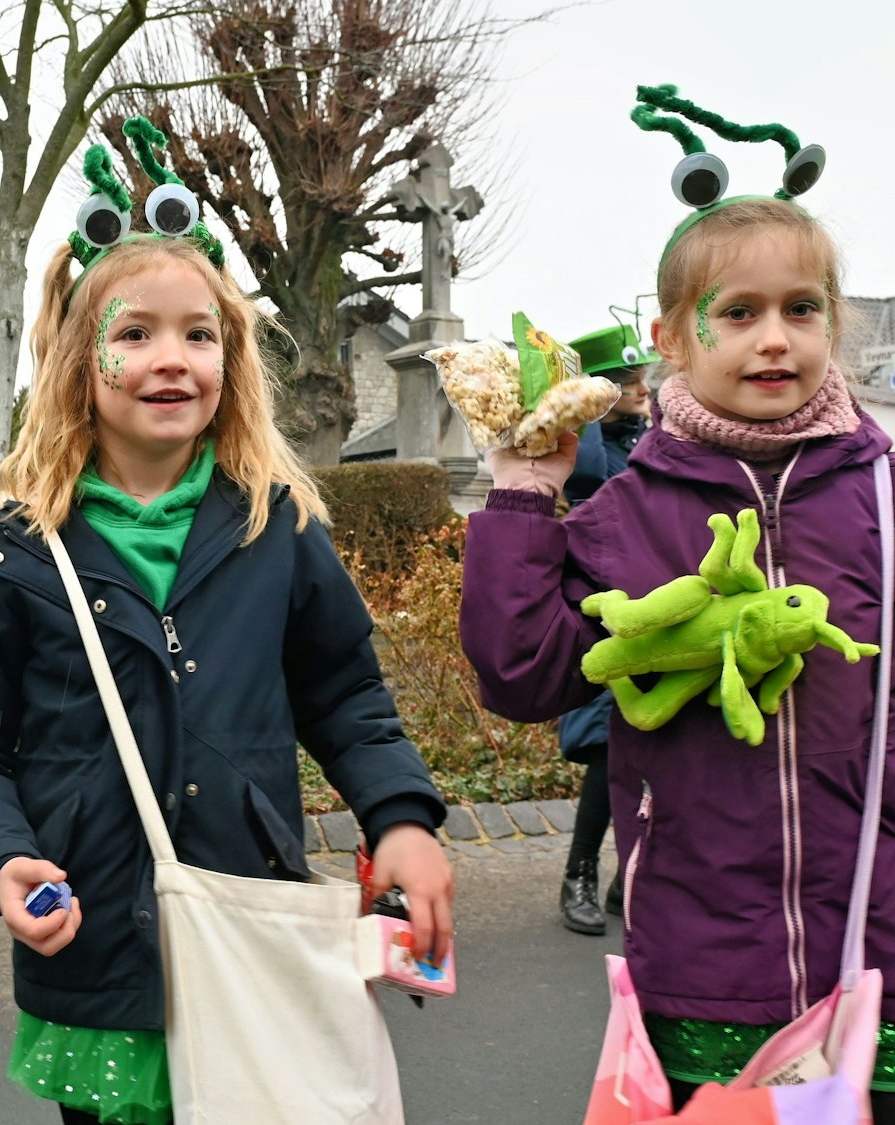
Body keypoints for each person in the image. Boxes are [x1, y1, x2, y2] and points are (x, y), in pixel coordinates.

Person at [0, 119, 452, 1125]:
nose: (171, 358)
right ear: (79, 365)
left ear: (229, 359)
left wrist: (400, 817)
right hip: (94, 953)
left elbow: (345, 696)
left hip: (246, 926)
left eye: (198, 334)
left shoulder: (275, 529)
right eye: (132, 334)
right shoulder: (15, 554)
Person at [462, 89, 895, 1114]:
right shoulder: (625, 514)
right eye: (736, 313)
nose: (773, 339)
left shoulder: (880, 497)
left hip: (876, 946)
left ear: (836, 320)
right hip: (702, 954)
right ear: (668, 334)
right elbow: (520, 672)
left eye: (801, 309)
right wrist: (525, 492)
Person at [555, 326, 653, 936]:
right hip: (605, 619)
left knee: (651, 749)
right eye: (626, 383)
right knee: (608, 751)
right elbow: (585, 471)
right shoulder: (590, 451)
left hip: (656, 617)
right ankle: (580, 876)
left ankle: (627, 878)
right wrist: (583, 406)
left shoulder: (650, 442)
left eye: (642, 378)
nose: (643, 389)